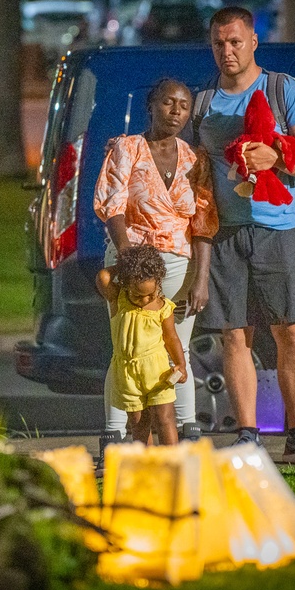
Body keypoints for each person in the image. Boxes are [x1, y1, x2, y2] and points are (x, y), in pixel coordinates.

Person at [194, 5, 295, 463]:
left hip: (279, 230)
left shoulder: (281, 90)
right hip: (224, 235)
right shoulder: (202, 102)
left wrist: (277, 159)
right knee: (235, 336)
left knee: (290, 332)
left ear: (254, 41)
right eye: (219, 43)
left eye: (236, 41)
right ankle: (249, 433)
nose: (227, 51)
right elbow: (193, 169)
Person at [93, 78, 218, 456]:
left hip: (179, 265)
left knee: (173, 348)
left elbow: (203, 223)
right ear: (151, 105)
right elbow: (111, 205)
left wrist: (201, 278)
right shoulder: (126, 148)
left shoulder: (196, 160)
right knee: (128, 347)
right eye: (168, 103)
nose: (176, 111)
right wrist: (128, 259)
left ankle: (185, 432)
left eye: (184, 105)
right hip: (130, 259)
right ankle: (116, 438)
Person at [95, 244, 188, 446]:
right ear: (126, 284)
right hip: (128, 374)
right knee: (138, 424)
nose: (144, 299)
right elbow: (103, 277)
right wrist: (126, 266)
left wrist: (181, 364)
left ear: (159, 284)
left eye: (151, 294)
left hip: (158, 372)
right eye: (137, 295)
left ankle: (171, 464)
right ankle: (146, 465)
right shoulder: (117, 299)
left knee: (164, 419)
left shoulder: (163, 307)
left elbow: (172, 338)